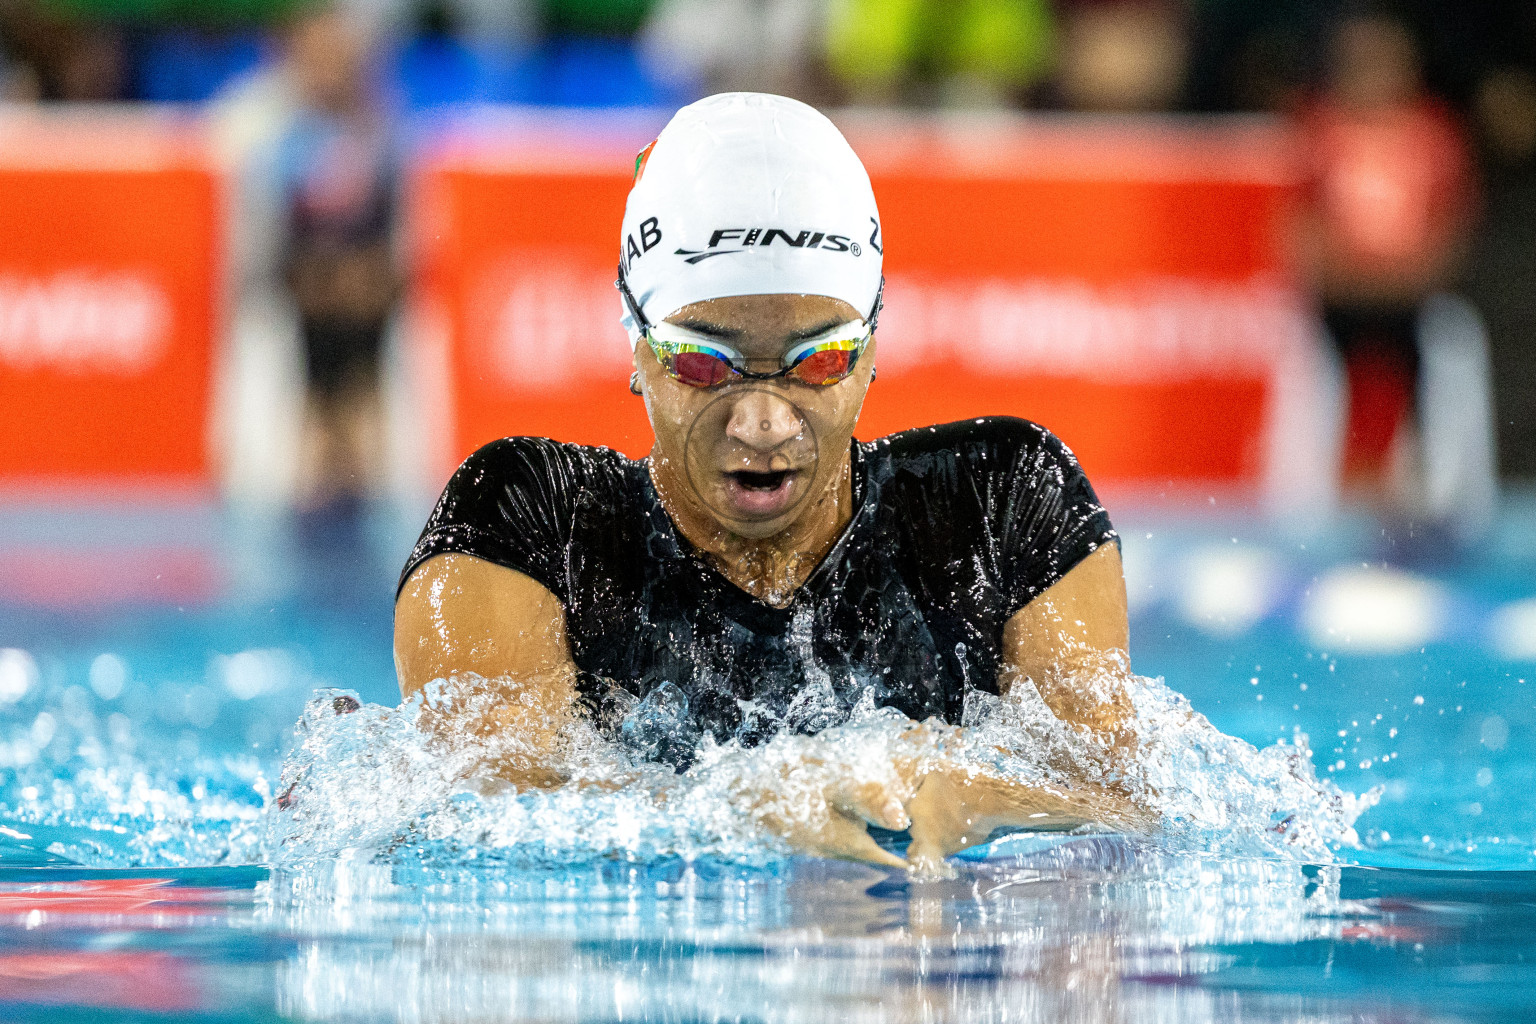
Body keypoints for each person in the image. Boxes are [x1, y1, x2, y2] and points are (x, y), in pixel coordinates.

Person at [394, 93, 1142, 870]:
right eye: (701, 361)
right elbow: (475, 816)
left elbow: (1125, 803)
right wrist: (735, 812)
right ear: (636, 346)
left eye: (818, 359)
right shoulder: (530, 520)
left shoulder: (1000, 504)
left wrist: (988, 798)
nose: (762, 421)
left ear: (873, 345)